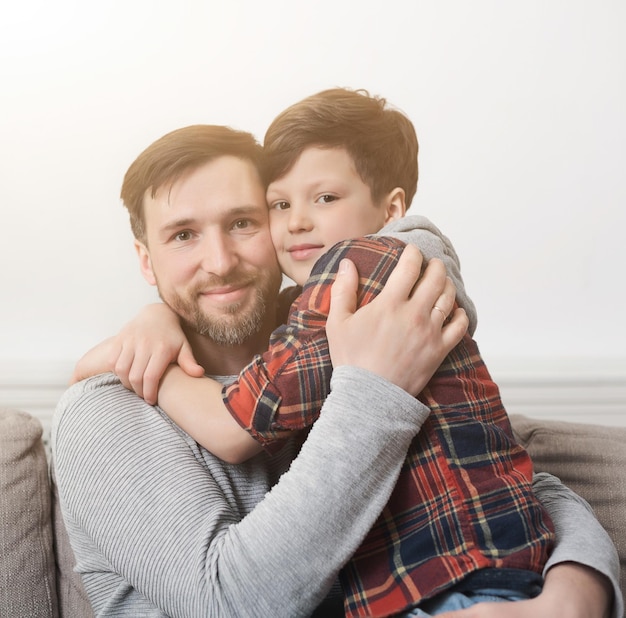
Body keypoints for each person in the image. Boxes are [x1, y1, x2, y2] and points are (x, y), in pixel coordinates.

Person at [59, 122, 620, 618]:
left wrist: (578, 591)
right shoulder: (105, 411)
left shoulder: (350, 331)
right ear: (144, 259)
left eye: (243, 222)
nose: (221, 261)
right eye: (183, 235)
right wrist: (375, 391)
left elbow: (500, 468)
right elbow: (230, 602)